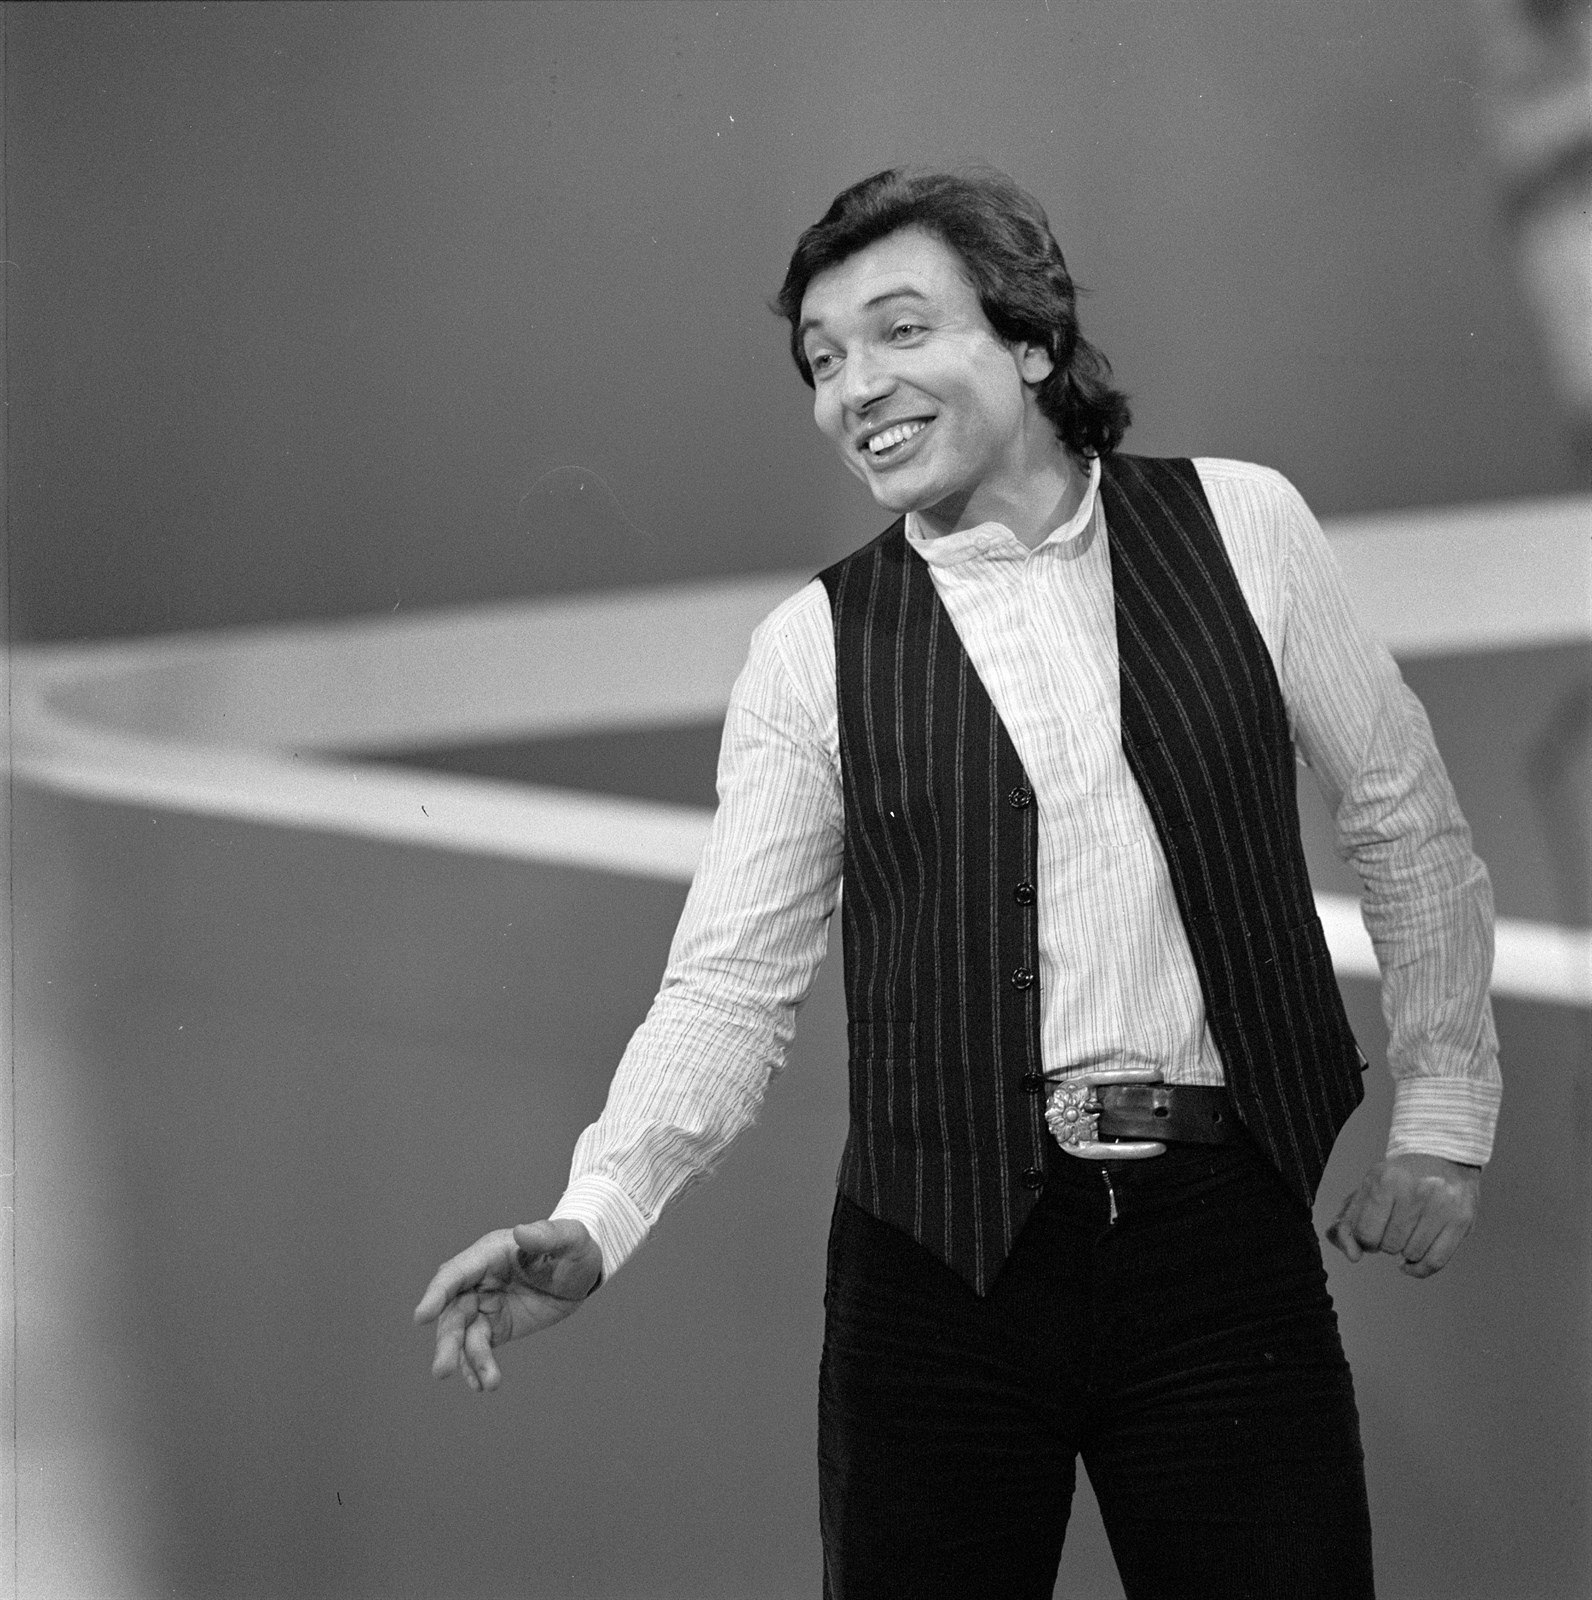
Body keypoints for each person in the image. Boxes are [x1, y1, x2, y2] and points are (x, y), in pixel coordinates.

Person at [415, 168, 1499, 1598]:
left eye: (900, 331)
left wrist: (1445, 1117)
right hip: (936, 1278)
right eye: (821, 360)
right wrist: (599, 1212)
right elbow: (728, 987)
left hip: (1221, 1245)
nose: (854, 387)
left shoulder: (1246, 527)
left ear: (1032, 340)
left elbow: (1407, 823)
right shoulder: (811, 650)